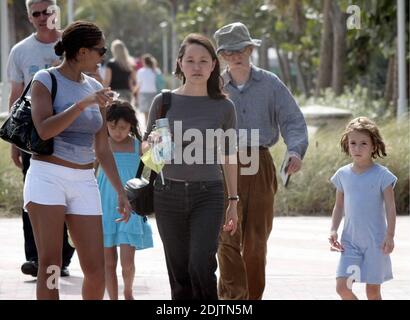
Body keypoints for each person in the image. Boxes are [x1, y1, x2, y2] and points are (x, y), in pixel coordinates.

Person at [26, 20, 131, 300]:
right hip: (47, 175)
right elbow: (45, 128)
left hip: (85, 179)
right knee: (50, 264)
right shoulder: (45, 80)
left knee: (95, 270)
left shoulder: (95, 85)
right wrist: (83, 104)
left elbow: (103, 149)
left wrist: (121, 192)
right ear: (82, 52)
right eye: (101, 50)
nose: (103, 57)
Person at [214, 22, 308, 300]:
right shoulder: (213, 86)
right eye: (228, 52)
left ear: (251, 49)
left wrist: (295, 151)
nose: (236, 56)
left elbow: (293, 120)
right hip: (222, 164)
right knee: (226, 238)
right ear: (221, 55)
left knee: (256, 241)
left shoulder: (270, 83)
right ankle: (232, 299)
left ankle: (252, 299)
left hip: (260, 164)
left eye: (242, 49)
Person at [142, 33, 239, 300]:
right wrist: (151, 143)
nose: (197, 67)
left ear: (212, 66)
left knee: (201, 264)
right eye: (190, 60)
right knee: (179, 271)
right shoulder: (163, 102)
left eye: (203, 61)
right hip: (167, 193)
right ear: (180, 64)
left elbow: (229, 156)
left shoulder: (224, 107)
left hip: (209, 194)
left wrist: (233, 201)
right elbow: (145, 150)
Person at [6, 0, 74, 278]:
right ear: (29, 16)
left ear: (57, 13)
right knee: (33, 197)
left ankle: (63, 256)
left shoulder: (73, 44)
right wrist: (14, 142)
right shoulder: (20, 51)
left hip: (71, 133)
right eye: (36, 13)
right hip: (35, 137)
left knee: (68, 198)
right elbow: (15, 96)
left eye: (48, 11)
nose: (43, 17)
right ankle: (35, 257)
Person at [329, 117, 397, 300]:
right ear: (347, 144)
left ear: (374, 146)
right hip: (350, 242)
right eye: (353, 143)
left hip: (376, 243)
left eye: (363, 143)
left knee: (372, 292)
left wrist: (390, 235)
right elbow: (339, 205)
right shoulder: (342, 175)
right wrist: (333, 230)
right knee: (342, 287)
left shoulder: (383, 176)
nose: (357, 148)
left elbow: (391, 207)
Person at [97, 100, 153, 300]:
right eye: (112, 127)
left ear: (131, 125)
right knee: (108, 263)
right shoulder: (101, 145)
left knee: (127, 263)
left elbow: (157, 163)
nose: (117, 132)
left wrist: (157, 144)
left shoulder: (138, 146)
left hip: (130, 209)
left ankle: (128, 291)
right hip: (104, 206)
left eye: (122, 127)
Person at [135, 54, 160, 123]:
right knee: (154, 112)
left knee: (146, 113)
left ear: (144, 62)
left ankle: (147, 127)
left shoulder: (141, 71)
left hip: (144, 93)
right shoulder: (156, 71)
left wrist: (134, 92)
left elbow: (138, 84)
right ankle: (153, 127)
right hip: (154, 92)